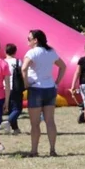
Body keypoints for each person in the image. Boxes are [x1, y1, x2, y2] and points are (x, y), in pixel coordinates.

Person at [22, 29, 66, 157]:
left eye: (29, 39)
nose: (27, 41)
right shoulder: (51, 51)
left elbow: (24, 68)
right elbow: (63, 66)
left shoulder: (32, 52)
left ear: (35, 40)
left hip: (36, 88)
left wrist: (26, 83)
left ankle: (34, 150)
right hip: (50, 88)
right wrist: (56, 82)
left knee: (35, 123)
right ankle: (52, 149)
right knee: (50, 121)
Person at [4, 44, 24, 135]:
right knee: (17, 109)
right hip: (15, 87)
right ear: (15, 52)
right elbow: (22, 73)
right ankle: (8, 121)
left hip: (4, 87)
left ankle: (15, 129)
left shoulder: (2, 62)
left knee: (11, 109)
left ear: (5, 51)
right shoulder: (17, 61)